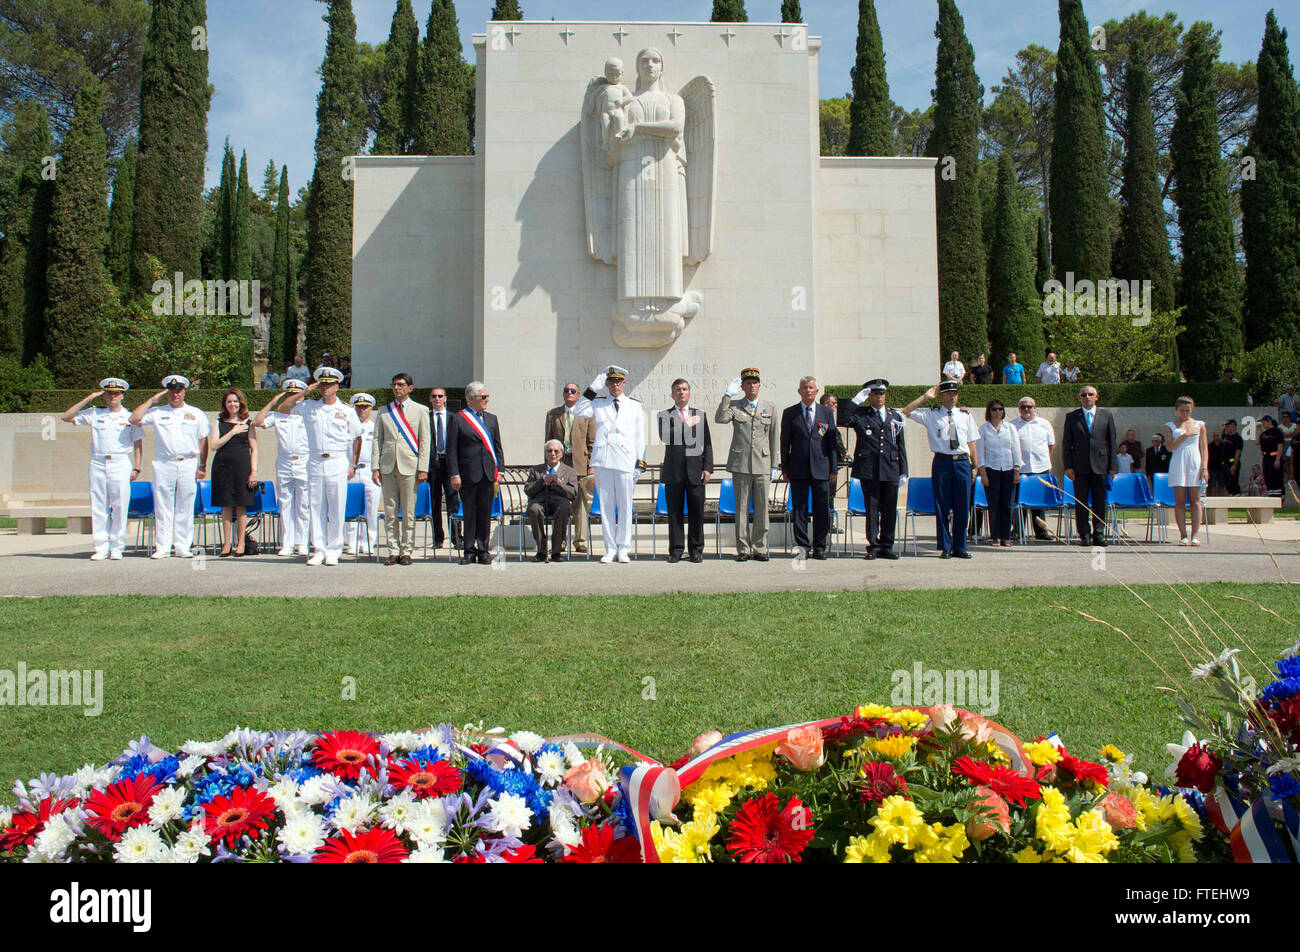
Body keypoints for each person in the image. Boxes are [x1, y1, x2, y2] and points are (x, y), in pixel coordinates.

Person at [278, 366, 362, 566]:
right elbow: (283, 408)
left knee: (336, 506)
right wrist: (305, 391)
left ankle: (334, 549)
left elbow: (357, 437)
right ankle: (319, 549)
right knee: (315, 506)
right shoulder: (309, 406)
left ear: (337, 387)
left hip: (337, 460)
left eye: (329, 384)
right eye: (322, 384)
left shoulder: (346, 411)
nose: (325, 387)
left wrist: (353, 464)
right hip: (315, 460)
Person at [61, 378, 143, 560]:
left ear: (122, 395)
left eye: (116, 393)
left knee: (120, 506)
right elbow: (66, 417)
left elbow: (138, 443)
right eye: (109, 393)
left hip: (120, 462)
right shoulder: (95, 413)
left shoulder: (129, 417)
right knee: (98, 506)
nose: (113, 396)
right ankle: (100, 547)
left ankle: (117, 547)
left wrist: (137, 467)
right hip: (98, 462)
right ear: (104, 395)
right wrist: (89, 398)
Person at [130, 375, 210, 559]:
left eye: (179, 390)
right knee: (163, 506)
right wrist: (152, 400)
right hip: (164, 463)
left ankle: (182, 545)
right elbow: (134, 419)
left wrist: (203, 465)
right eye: (172, 390)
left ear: (184, 391)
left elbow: (203, 440)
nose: (176, 394)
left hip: (188, 462)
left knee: (185, 505)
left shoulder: (196, 413)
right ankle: (163, 547)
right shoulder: (157, 412)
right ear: (168, 392)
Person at [903, 381, 980, 558]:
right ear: (941, 396)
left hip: (962, 462)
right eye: (948, 394)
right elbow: (906, 411)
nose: (952, 397)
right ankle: (945, 546)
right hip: (942, 462)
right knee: (942, 506)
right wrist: (925, 397)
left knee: (963, 507)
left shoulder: (965, 415)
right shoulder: (931, 414)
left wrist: (974, 466)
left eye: (955, 394)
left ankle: (960, 546)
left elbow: (972, 443)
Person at [577, 366, 645, 563]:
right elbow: (580, 410)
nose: (615, 385)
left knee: (625, 505)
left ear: (624, 384)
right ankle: (610, 548)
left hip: (625, 460)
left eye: (619, 382)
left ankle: (623, 548)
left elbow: (639, 437)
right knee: (606, 506)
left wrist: (639, 463)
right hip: (604, 459)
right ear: (606, 384)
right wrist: (594, 386)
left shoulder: (634, 406)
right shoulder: (598, 403)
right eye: (611, 382)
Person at [715, 367, 779, 562]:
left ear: (760, 385)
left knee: (762, 509)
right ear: (742, 386)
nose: (752, 386)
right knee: (741, 508)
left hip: (762, 463)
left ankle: (759, 547)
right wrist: (727, 395)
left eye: (755, 382)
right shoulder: (735, 406)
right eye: (748, 383)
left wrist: (774, 464)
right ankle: (743, 548)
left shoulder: (770, 407)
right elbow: (720, 418)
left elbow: (774, 436)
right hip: (741, 464)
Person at [842, 378, 907, 559]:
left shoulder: (895, 417)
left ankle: (887, 545)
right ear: (869, 396)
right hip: (869, 469)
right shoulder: (861, 414)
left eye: (882, 393)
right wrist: (856, 401)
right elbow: (843, 419)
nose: (879, 397)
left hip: (890, 468)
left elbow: (900, 445)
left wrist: (904, 470)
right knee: (871, 509)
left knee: (889, 509)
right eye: (875, 394)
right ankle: (874, 546)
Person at [373, 373, 431, 566]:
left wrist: (423, 468)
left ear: (410, 388)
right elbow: (377, 440)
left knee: (408, 511)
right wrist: (375, 466)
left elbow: (425, 441)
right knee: (390, 511)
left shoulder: (420, 410)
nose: (396, 388)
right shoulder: (384, 411)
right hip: (388, 465)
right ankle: (393, 550)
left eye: (400, 385)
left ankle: (407, 550)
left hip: (410, 466)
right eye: (394, 385)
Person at [252, 379, 313, 557]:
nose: (292, 398)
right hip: (284, 462)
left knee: (303, 504)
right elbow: (257, 422)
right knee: (285, 503)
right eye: (289, 394)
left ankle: (302, 542)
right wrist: (272, 402)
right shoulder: (278, 416)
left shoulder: (307, 413)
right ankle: (287, 542)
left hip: (303, 461)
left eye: (296, 394)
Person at [447, 380, 505, 565]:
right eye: (483, 397)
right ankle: (469, 550)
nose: (487, 400)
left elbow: (497, 447)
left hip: (488, 474)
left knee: (485, 513)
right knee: (470, 513)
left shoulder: (491, 418)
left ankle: (483, 549)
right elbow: (451, 450)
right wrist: (454, 474)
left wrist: (500, 470)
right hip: (468, 475)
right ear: (471, 399)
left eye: (487, 396)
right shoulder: (458, 419)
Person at [780, 376, 838, 559]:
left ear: (817, 391)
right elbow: (784, 443)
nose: (808, 391)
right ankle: (803, 546)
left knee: (821, 509)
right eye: (804, 388)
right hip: (798, 469)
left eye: (811, 387)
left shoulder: (826, 413)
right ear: (799, 391)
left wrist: (834, 469)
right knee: (800, 509)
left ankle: (820, 546)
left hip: (821, 468)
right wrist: (785, 468)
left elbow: (832, 443)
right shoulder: (790, 413)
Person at [658, 378, 713, 563]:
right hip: (674, 472)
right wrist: (687, 424)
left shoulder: (700, 415)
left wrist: (708, 468)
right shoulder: (664, 415)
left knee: (697, 513)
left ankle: (696, 550)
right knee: (675, 513)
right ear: (672, 394)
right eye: (677, 390)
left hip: (696, 471)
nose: (681, 392)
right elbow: (667, 437)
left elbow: (707, 444)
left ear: (689, 392)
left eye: (684, 389)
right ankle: (676, 550)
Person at [1061, 385, 1117, 546]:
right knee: (1081, 502)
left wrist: (1112, 466)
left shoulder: (1106, 415)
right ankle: (1084, 534)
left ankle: (1099, 534)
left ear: (1096, 397)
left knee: (1100, 501)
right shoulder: (1072, 417)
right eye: (1084, 395)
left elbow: (1112, 442)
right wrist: (1068, 466)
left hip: (1101, 465)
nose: (1087, 397)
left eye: (1090, 394)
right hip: (1080, 467)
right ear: (1080, 398)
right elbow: (1066, 444)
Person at [208, 388, 259, 557]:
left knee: (241, 504)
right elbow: (214, 445)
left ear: (240, 403)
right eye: (229, 401)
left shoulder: (248, 423)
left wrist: (254, 471)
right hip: (223, 466)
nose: (232, 404)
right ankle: (226, 544)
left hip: (242, 467)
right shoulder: (218, 422)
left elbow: (255, 448)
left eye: (235, 401)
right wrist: (232, 432)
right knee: (226, 504)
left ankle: (241, 543)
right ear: (225, 404)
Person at [545, 383, 594, 554]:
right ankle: (560, 541)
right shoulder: (553, 414)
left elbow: (592, 442)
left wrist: (591, 466)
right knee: (559, 503)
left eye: (573, 391)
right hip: (560, 463)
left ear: (578, 395)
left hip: (579, 463)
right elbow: (548, 442)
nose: (569, 393)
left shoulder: (587, 414)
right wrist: (549, 466)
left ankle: (580, 541)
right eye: (566, 390)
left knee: (579, 504)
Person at [976, 400, 1022, 547]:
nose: (997, 412)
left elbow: (1016, 449)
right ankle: (995, 536)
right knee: (994, 504)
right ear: (989, 411)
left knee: (1007, 504)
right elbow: (980, 453)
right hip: (991, 470)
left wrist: (1016, 470)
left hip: (1008, 469)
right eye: (994, 409)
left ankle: (1006, 536)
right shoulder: (983, 429)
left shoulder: (1010, 428)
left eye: (1000, 409)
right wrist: (983, 474)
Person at [524, 440, 579, 561]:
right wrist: (542, 480)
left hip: (559, 501)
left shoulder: (570, 471)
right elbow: (528, 490)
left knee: (564, 508)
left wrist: (560, 484)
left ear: (561, 454)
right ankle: (541, 550)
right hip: (540, 500)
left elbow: (573, 493)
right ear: (545, 453)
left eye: (556, 451)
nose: (552, 454)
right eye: (549, 451)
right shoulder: (536, 470)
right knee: (533, 509)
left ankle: (556, 551)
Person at [1166, 396, 1209, 545]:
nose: (1185, 413)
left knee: (1195, 500)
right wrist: (1185, 435)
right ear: (1176, 409)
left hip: (1194, 461)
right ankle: (1183, 534)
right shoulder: (1170, 425)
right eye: (1182, 410)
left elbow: (1204, 447)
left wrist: (1204, 467)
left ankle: (1195, 535)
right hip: (1178, 461)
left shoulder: (1200, 424)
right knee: (1180, 501)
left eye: (1188, 410)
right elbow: (1170, 447)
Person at [1012, 396, 1056, 541]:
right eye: (1023, 407)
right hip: (1021, 468)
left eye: (1029, 407)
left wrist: (1042, 458)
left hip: (1040, 467)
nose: (1026, 409)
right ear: (1019, 409)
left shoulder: (1044, 424)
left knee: (1038, 503)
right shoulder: (1013, 425)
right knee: (1020, 502)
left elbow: (1051, 444)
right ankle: (1018, 531)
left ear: (1035, 408)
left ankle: (1041, 532)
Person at [345, 393, 381, 555]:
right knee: (351, 508)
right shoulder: (347, 428)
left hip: (369, 470)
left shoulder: (375, 428)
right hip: (351, 470)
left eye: (365, 407)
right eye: (358, 407)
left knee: (371, 508)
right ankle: (351, 542)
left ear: (371, 408)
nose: (361, 410)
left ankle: (368, 542)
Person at [427, 386, 460, 552]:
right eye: (434, 396)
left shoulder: (454, 417)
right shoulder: (425, 418)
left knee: (453, 501)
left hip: (450, 463)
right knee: (434, 502)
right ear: (430, 399)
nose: (437, 398)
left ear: (445, 398)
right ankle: (438, 538)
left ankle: (456, 538)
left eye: (440, 396)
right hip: (433, 464)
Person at [819, 393, 850, 504]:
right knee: (828, 494)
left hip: (830, 461)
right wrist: (843, 452)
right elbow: (828, 438)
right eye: (833, 403)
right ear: (826, 404)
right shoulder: (822, 419)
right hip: (827, 463)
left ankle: (829, 518)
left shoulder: (826, 418)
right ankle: (827, 519)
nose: (836, 405)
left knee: (830, 495)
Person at [1258, 415, 1284, 496]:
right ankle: (1271, 495)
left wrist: (1277, 459)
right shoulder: (1264, 433)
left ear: (1269, 421)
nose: (1262, 424)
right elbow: (1257, 442)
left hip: (1274, 457)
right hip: (1266, 458)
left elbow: (1280, 446)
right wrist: (1258, 430)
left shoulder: (1276, 431)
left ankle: (1277, 497)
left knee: (1275, 478)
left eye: (1264, 422)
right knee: (1268, 478)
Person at [1220, 420, 1244, 495]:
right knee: (1226, 481)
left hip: (1232, 462)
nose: (1226, 428)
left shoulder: (1237, 438)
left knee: (1233, 481)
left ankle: (1237, 494)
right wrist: (1223, 429)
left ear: (1233, 426)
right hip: (1225, 463)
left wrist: (1234, 464)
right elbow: (1221, 437)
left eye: (1228, 426)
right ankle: (1231, 494)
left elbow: (1238, 452)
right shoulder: (1227, 437)